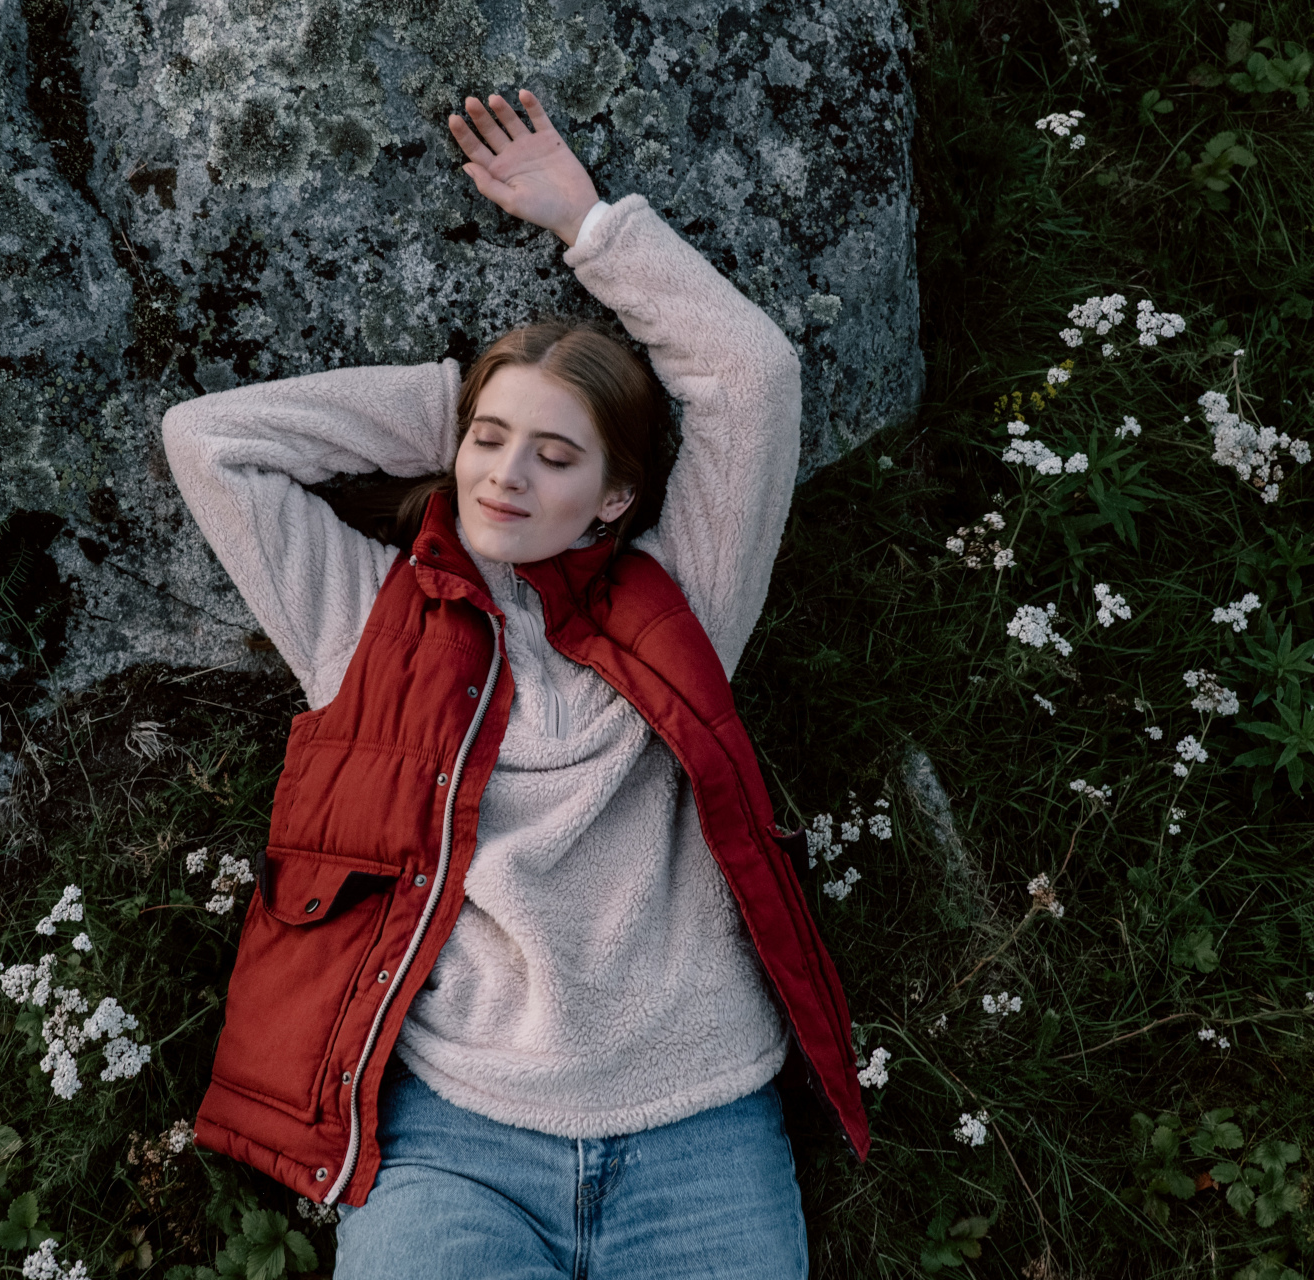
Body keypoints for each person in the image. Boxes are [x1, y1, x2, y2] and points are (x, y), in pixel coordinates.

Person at [161, 88, 867, 1280]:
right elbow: (209, 441)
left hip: (698, 1120)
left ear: (614, 498)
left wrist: (588, 222)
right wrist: (469, 395)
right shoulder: (367, 617)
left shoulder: (683, 601)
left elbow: (750, 375)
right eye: (490, 443)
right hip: (455, 1131)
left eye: (554, 456)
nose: (507, 478)